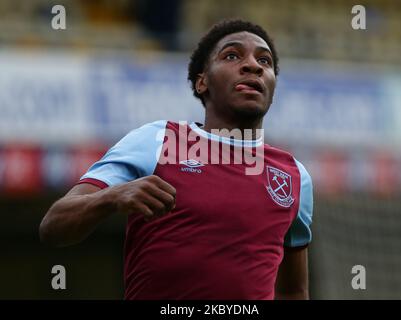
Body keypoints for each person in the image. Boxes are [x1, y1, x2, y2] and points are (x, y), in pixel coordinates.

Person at [39, 19, 313, 300]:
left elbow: (294, 291)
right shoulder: (157, 140)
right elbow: (53, 226)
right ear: (202, 81)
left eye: (265, 61)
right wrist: (112, 196)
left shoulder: (293, 176)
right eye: (232, 55)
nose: (253, 65)